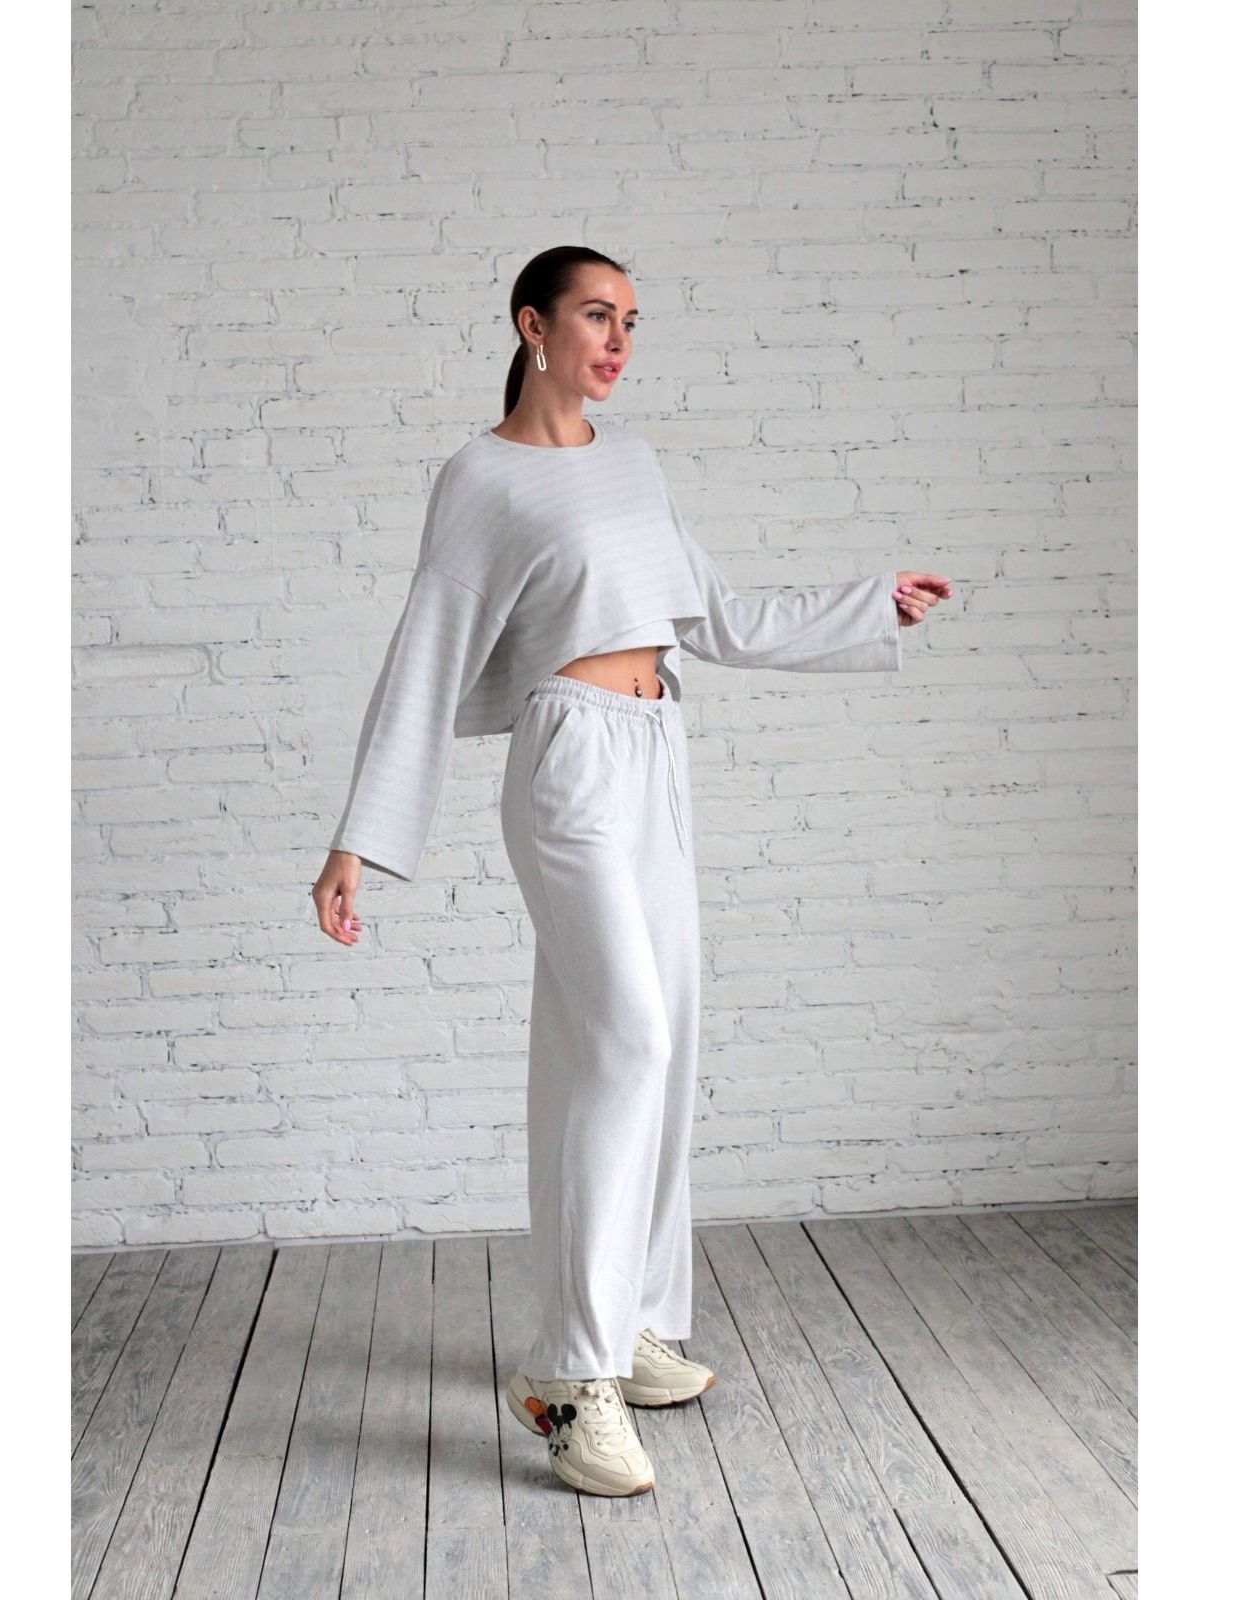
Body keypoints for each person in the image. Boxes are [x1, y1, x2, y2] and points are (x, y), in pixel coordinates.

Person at [312, 245, 950, 1497]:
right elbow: (427, 647)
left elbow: (714, 616)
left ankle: (630, 1325)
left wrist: (870, 604)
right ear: (531, 325)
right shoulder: (482, 476)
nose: (617, 340)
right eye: (596, 315)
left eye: (632, 321)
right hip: (569, 764)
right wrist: (357, 840)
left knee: (657, 1039)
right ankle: (571, 1381)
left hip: (656, 748)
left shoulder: (635, 462)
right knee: (629, 1041)